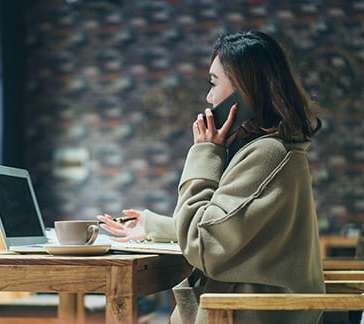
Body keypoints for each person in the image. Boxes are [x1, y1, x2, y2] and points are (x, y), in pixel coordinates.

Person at [97, 31, 325, 324]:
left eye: (213, 82)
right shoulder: (273, 149)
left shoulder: (268, 154)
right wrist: (153, 225)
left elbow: (205, 246)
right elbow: (235, 230)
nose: (208, 97)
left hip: (239, 314)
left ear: (244, 89)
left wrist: (205, 152)